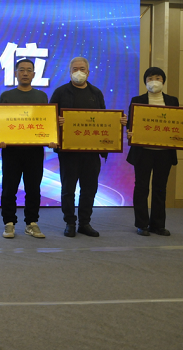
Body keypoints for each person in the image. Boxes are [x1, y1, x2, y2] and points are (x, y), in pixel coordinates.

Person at [50, 56, 127, 238]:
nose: (79, 72)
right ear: (70, 72)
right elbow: (49, 119)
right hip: (68, 151)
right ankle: (69, 222)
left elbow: (104, 120)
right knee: (68, 189)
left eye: (82, 69)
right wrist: (55, 121)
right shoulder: (60, 92)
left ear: (88, 72)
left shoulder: (96, 93)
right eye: (75, 69)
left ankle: (85, 223)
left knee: (89, 189)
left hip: (92, 151)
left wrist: (118, 122)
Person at [126, 67, 183, 236]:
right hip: (143, 152)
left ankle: (157, 225)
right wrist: (129, 131)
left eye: (158, 78)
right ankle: (142, 224)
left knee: (160, 188)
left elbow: (179, 124)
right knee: (141, 187)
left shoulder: (172, 100)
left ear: (163, 81)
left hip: (164, 153)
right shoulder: (137, 100)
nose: (154, 81)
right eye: (150, 78)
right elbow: (131, 123)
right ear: (145, 82)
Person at [0, 58, 56, 239]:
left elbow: (45, 122)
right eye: (21, 70)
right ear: (15, 73)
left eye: (29, 70)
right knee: (9, 188)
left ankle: (32, 223)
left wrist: (51, 138)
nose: (25, 73)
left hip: (34, 151)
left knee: (33, 188)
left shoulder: (41, 96)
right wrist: (0, 139)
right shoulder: (7, 96)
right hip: (11, 151)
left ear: (34, 74)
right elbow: (2, 122)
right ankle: (9, 222)